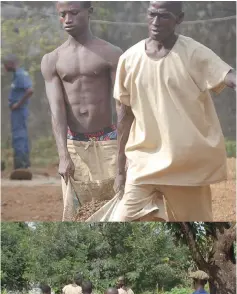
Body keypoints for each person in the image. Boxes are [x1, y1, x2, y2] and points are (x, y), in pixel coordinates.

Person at [113, 1, 236, 222]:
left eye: (164, 16)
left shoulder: (194, 53)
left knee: (201, 226)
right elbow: (124, 115)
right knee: (122, 221)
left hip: (186, 165)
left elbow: (228, 75)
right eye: (152, 14)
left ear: (179, 19)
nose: (156, 22)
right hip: (143, 163)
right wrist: (120, 169)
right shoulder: (129, 59)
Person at [41, 1, 123, 220]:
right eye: (62, 14)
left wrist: (123, 152)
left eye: (74, 13)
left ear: (89, 12)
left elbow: (122, 105)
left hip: (108, 140)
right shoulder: (52, 60)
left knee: (117, 208)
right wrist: (63, 155)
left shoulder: (111, 54)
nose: (67, 19)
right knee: (77, 213)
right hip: (74, 144)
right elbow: (56, 109)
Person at [4, 54, 33, 179]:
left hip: (19, 111)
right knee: (21, 136)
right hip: (17, 112)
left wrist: (17, 104)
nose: (4, 67)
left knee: (19, 137)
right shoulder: (17, 76)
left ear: (11, 63)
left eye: (5, 64)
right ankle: (24, 166)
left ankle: (21, 167)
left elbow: (30, 90)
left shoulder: (21, 75)